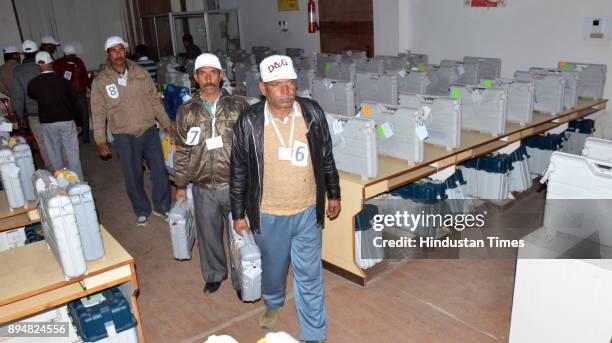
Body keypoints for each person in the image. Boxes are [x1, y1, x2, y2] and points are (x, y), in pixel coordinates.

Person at [230, 55, 341, 343]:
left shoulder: (312, 113)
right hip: (268, 213)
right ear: (262, 88)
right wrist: (238, 213)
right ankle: (274, 302)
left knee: (310, 275)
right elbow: (239, 169)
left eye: (290, 83)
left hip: (307, 210)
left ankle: (314, 334)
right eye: (277, 85)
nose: (286, 90)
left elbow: (327, 157)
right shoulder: (250, 121)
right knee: (274, 268)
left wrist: (334, 193)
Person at [174, 53, 249, 296]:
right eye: (203, 73)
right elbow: (183, 151)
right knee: (208, 236)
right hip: (203, 186)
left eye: (213, 72)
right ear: (196, 78)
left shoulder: (238, 106)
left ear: (220, 76)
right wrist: (180, 185)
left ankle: (242, 280)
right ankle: (215, 275)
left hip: (235, 184)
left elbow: (251, 146)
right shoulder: (186, 111)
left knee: (241, 237)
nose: (208, 78)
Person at [91, 36, 173, 227]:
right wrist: (100, 140)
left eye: (121, 49)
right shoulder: (101, 81)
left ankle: (162, 206)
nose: (119, 53)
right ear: (107, 54)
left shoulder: (140, 72)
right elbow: (98, 112)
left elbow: (154, 100)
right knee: (132, 175)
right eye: (114, 50)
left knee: (160, 170)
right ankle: (141, 210)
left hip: (148, 130)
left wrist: (167, 123)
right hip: (124, 134)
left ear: (125, 51)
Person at [27, 51, 84, 179]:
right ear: (51, 63)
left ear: (38, 66)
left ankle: (61, 182)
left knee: (54, 154)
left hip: (47, 122)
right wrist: (79, 122)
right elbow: (74, 104)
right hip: (66, 120)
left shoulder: (33, 83)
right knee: (72, 153)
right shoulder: (63, 81)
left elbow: (32, 96)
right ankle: (78, 181)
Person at [12, 40, 51, 168]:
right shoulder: (44, 65)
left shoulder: (18, 71)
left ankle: (53, 171)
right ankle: (69, 171)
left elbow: (18, 96)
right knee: (57, 140)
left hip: (34, 114)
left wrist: (19, 115)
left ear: (23, 53)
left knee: (42, 143)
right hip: (51, 110)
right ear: (37, 52)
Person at [54, 43, 92, 143]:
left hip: (80, 93)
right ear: (64, 54)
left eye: (73, 54)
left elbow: (84, 75)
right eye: (69, 55)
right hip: (66, 95)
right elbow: (57, 80)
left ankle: (86, 137)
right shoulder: (58, 63)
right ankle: (72, 138)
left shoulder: (78, 61)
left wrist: (88, 85)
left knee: (84, 115)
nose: (71, 56)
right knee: (70, 117)